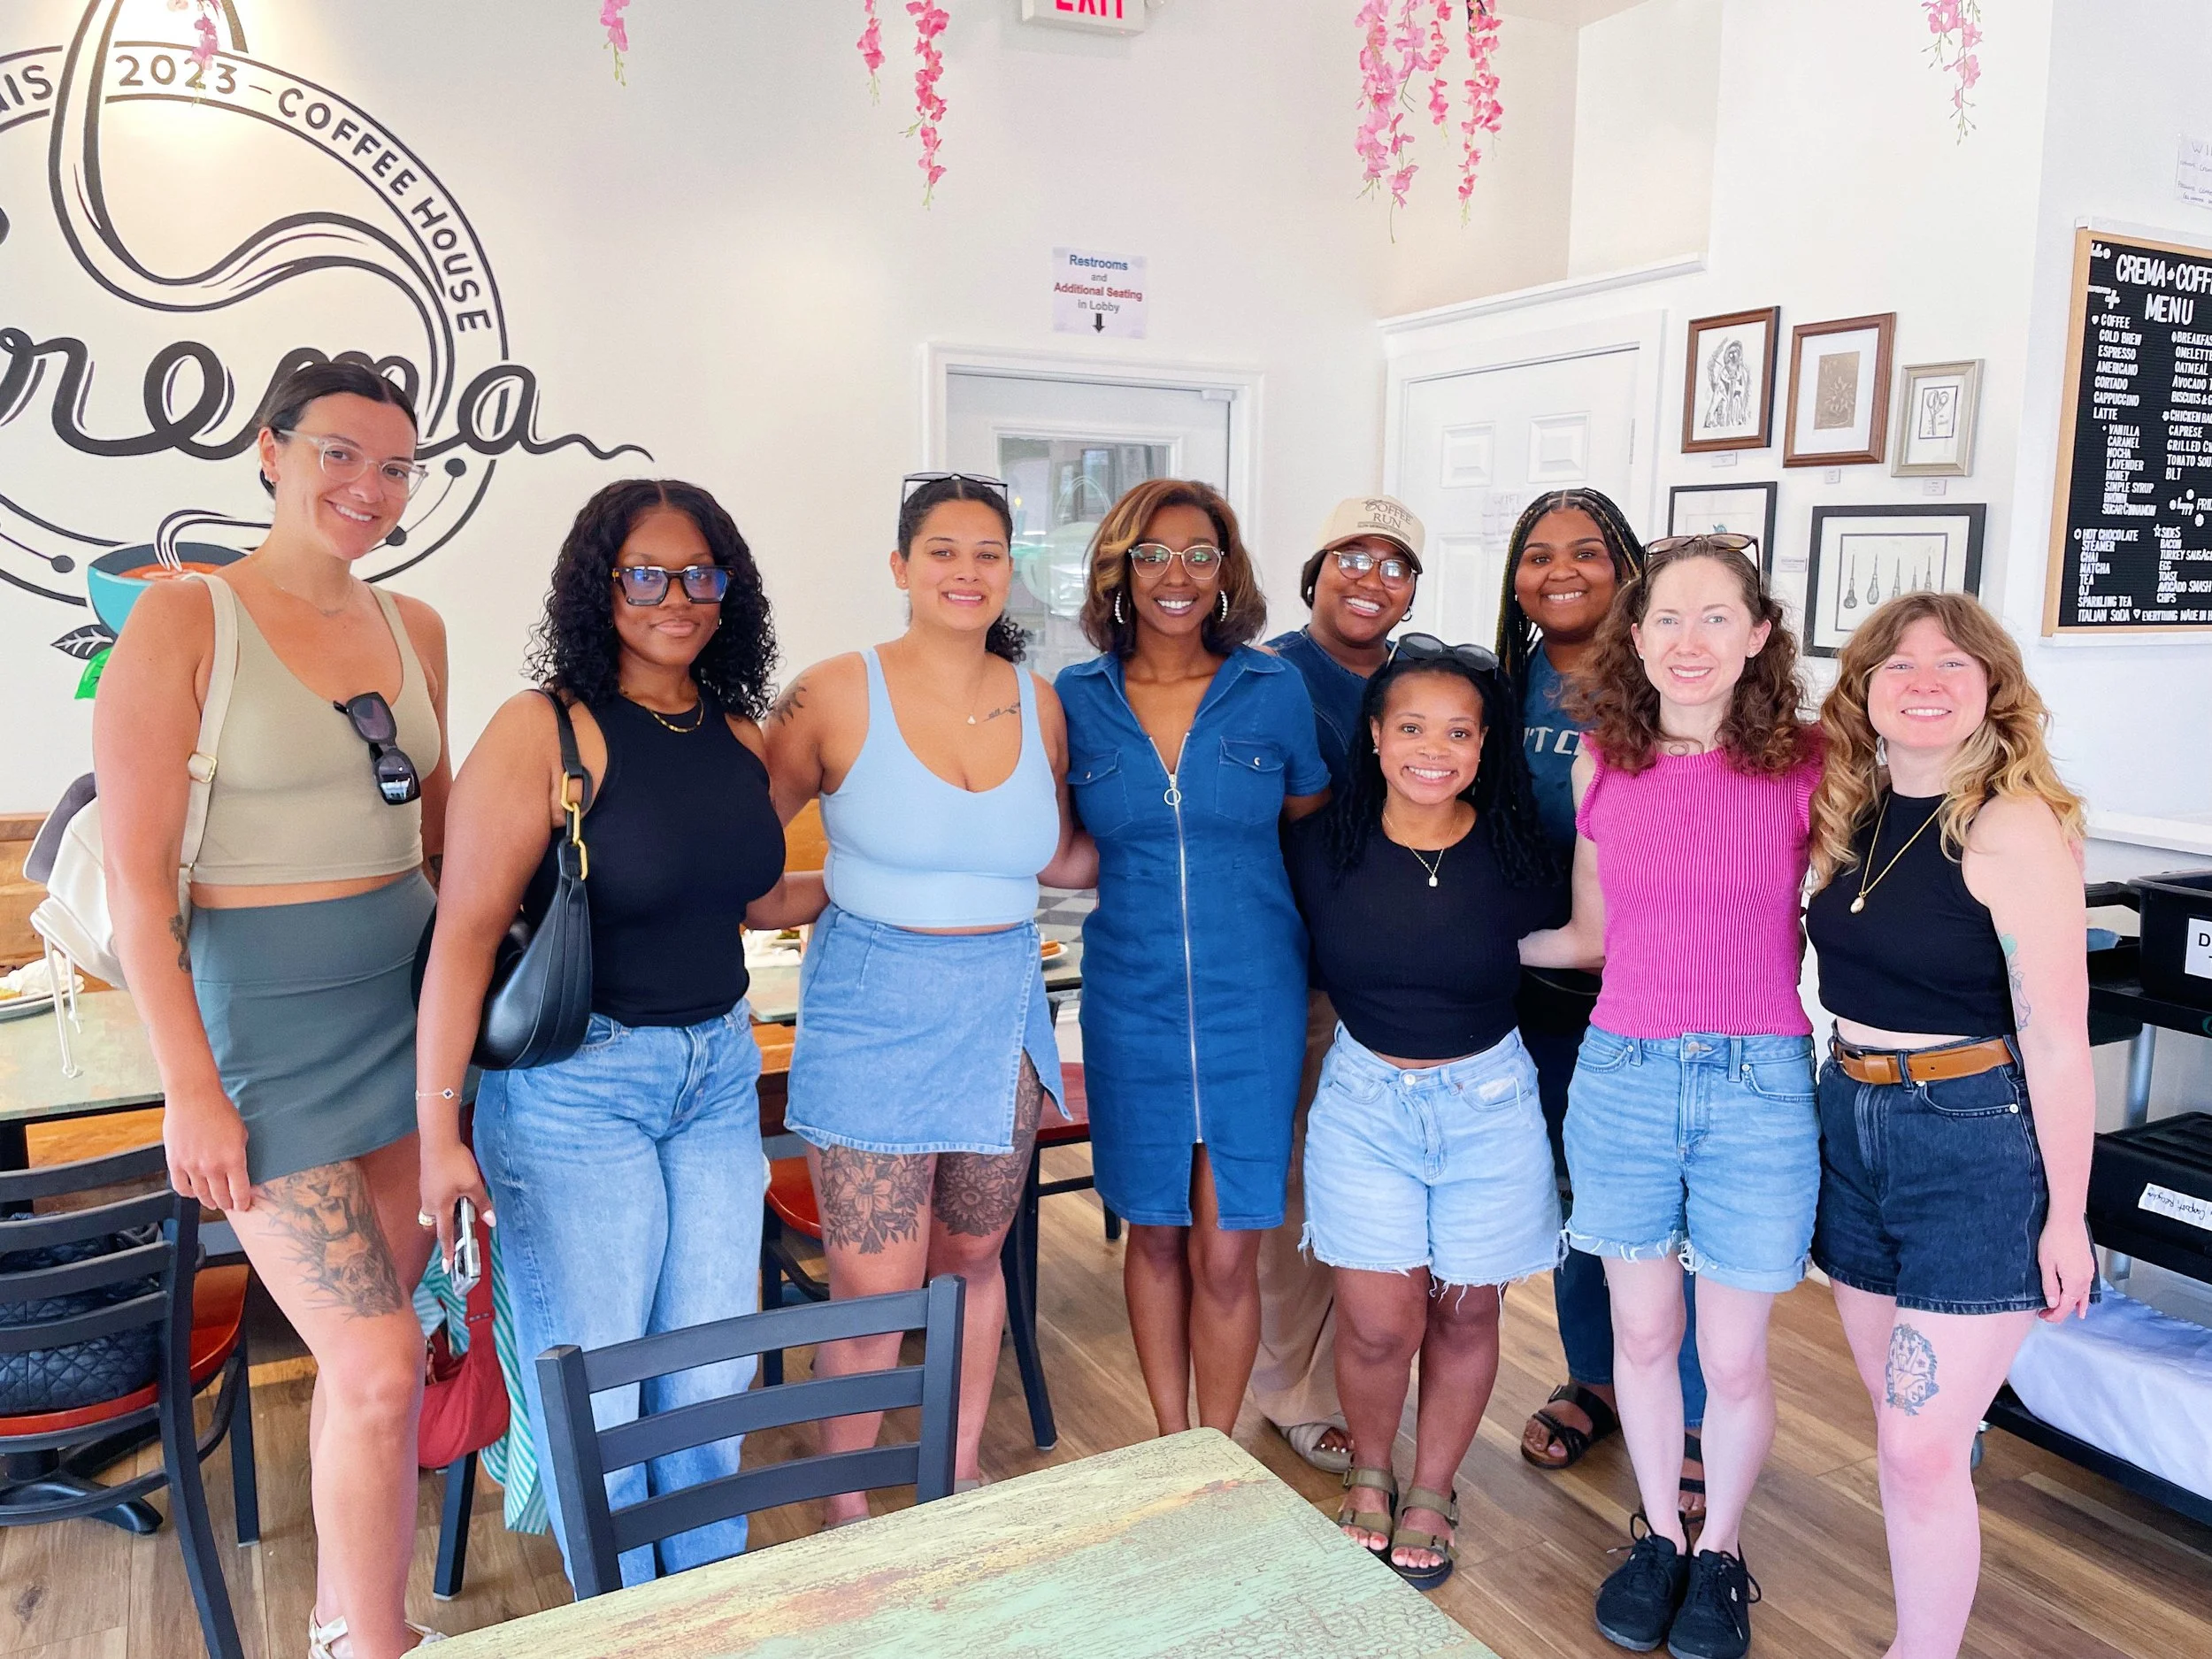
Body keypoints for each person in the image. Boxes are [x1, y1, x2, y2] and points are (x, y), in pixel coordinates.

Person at [96, 360, 452, 1659]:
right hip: (264, 1038)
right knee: (373, 1361)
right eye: (342, 454)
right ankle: (377, 1640)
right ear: (271, 451)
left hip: (407, 1011)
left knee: (383, 1359)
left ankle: (337, 1612)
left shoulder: (417, 627)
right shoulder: (186, 618)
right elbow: (139, 888)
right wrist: (190, 1085)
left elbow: (441, 842)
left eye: (398, 465)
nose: (370, 486)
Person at [414, 480, 817, 1589]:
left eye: (702, 575)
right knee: (607, 1378)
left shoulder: (737, 732)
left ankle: (706, 1602)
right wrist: (439, 1130)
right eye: (648, 573)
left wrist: (867, 888)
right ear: (602, 587)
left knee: (710, 1371)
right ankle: (628, 1616)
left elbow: (726, 895)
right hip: (575, 1088)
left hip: (719, 1074)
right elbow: (463, 940)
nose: (677, 597)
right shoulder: (541, 730)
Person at [1521, 533, 1822, 1659]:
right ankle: (1655, 1533)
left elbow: (1853, 904)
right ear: (1634, 639)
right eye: (1666, 620)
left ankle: (1722, 1549)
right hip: (1624, 1075)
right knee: (1642, 1338)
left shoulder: (1814, 756)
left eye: (1714, 618)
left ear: (1756, 636)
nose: (1687, 641)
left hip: (1760, 1083)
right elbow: (1591, 936)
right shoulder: (1600, 763)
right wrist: (1438, 935)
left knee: (1733, 1356)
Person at [765, 472, 1068, 1524]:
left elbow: (1062, 853)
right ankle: (844, 1500)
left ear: (1010, 572)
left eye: (988, 552)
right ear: (900, 567)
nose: (966, 570)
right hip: (873, 1009)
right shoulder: (830, 692)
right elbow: (746, 861)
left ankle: (957, 1466)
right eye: (942, 550)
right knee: (877, 1281)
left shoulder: (1043, 702)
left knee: (974, 1256)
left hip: (1002, 1007)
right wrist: (846, 891)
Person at [1803, 593, 2096, 1659]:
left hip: (1968, 1135)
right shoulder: (1855, 809)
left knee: (1922, 1444)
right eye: (1898, 663)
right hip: (1852, 1114)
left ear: (1991, 688)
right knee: (1901, 1432)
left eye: (1953, 662)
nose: (1924, 679)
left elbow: (2058, 1039)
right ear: (1865, 690)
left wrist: (2068, 1216)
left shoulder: (2011, 823)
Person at [1283, 638, 1564, 1591]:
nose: (1432, 749)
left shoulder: (1524, 851)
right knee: (1375, 1323)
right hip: (1364, 1104)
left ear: (1485, 746)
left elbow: (1597, 938)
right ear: (1373, 736)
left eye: (1457, 730)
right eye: (1410, 727)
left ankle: (1432, 1488)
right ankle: (1370, 1468)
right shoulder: (1321, 847)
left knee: (1467, 1308)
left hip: (1488, 1103)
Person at [1055, 479, 1330, 1439]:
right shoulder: (1075, 701)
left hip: (1254, 997)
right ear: (1120, 569)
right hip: (1128, 1000)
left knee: (1228, 1249)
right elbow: (1061, 846)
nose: (1177, 575)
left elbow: (1303, 824)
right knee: (1157, 1235)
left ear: (1227, 570)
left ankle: (1219, 1455)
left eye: (1199, 554)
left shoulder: (1271, 688)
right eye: (1153, 554)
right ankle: (1169, 1444)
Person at [1494, 490, 1709, 1520]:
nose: (1560, 570)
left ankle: (1698, 1408)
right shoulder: (1503, 685)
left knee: (1673, 1205)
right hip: (1534, 992)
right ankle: (1596, 1376)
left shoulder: (1666, 682)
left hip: (1657, 992)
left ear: (1626, 569)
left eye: (1586, 552)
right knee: (1582, 1199)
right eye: (1538, 555)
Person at [1254, 494, 1425, 1476]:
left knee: (1385, 1198)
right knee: (1296, 1191)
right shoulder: (1270, 677)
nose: (1370, 578)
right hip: (1304, 970)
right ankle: (1293, 1389)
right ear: (1314, 574)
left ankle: (1367, 1375)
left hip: (1410, 983)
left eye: (1394, 563)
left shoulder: (1425, 678)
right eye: (1350, 559)